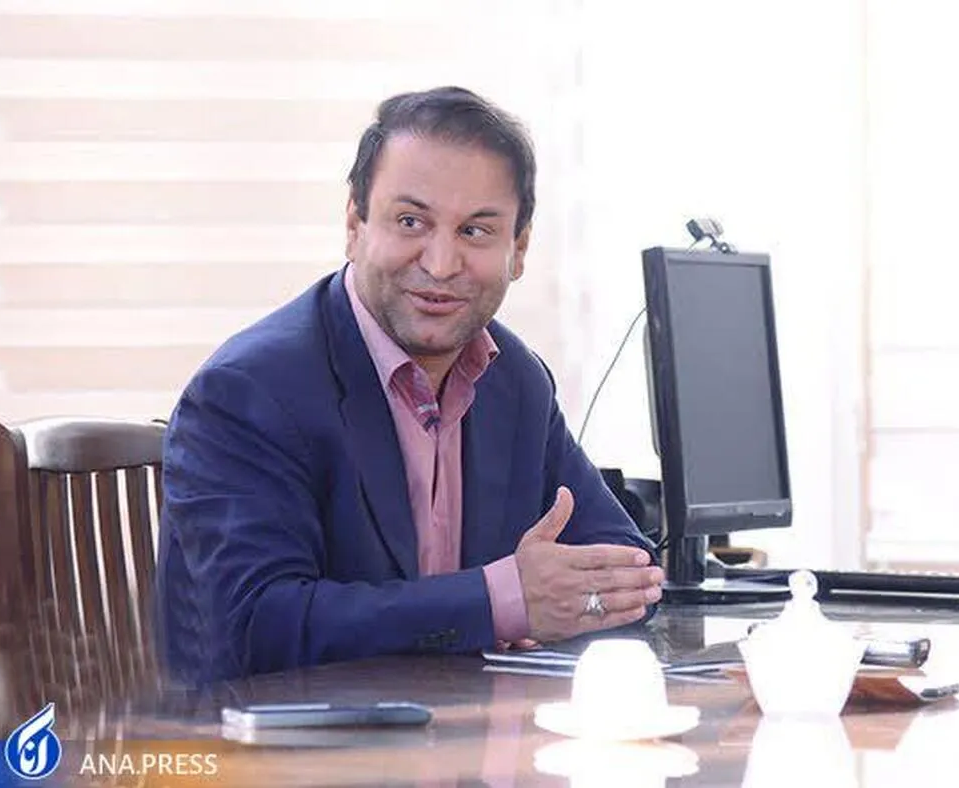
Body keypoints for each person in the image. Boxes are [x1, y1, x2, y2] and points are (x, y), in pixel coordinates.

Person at [156, 86, 663, 683]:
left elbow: (631, 567)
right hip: (285, 737)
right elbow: (252, 628)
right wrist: (501, 601)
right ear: (355, 224)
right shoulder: (248, 391)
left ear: (519, 249)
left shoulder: (514, 379)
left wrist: (574, 599)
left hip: (463, 728)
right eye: (410, 222)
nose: (441, 264)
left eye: (476, 231)